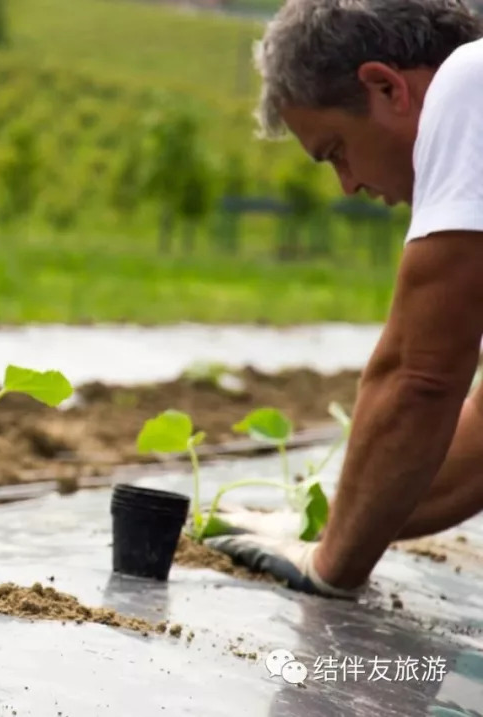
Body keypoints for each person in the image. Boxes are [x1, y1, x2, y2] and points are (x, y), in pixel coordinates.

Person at [204, 0, 483, 599]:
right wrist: (326, 523)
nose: (349, 185)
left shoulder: (471, 82)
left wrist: (326, 564)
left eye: (335, 150)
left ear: (385, 86)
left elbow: (420, 374)